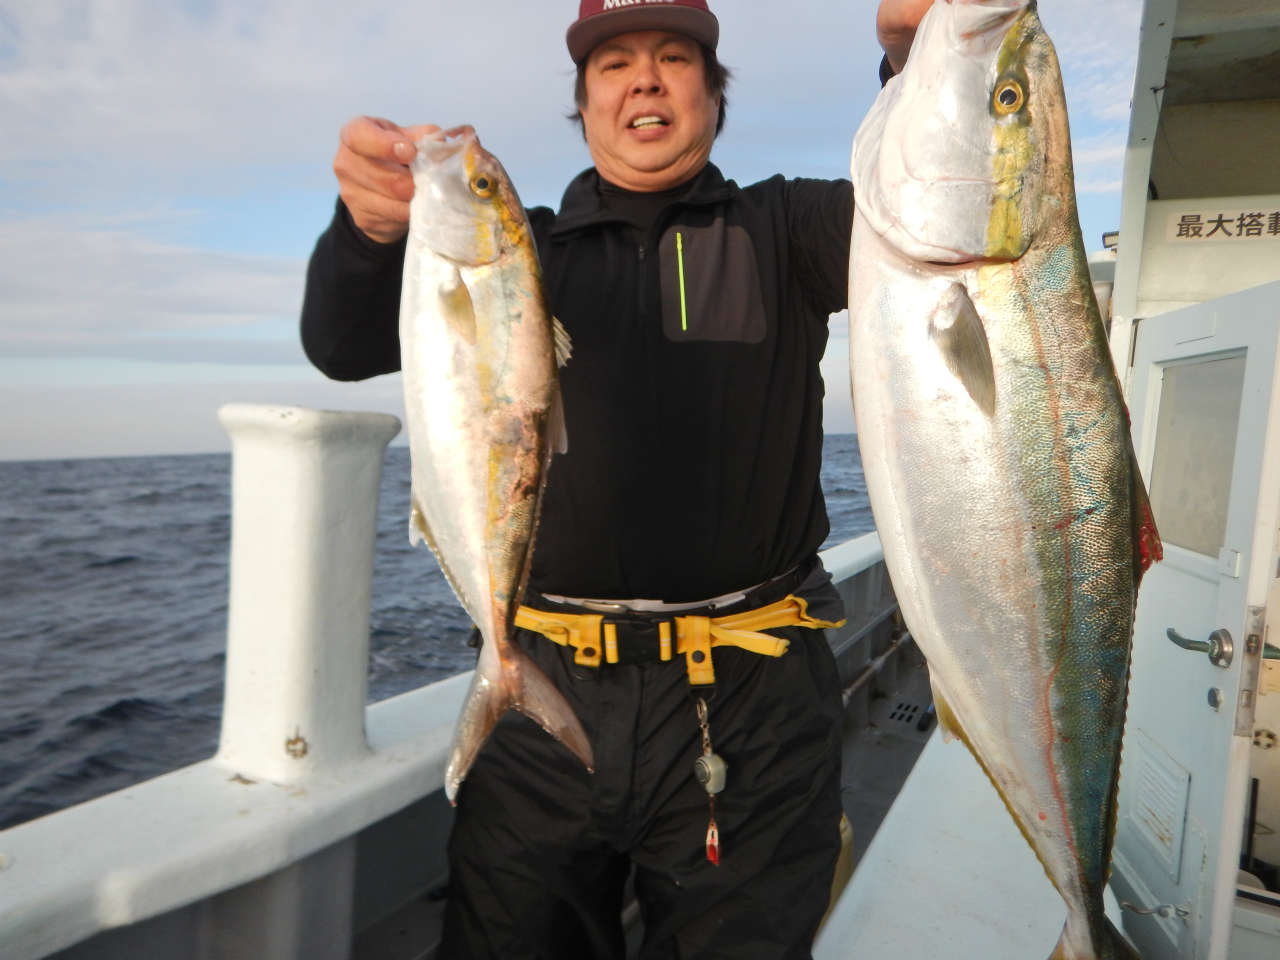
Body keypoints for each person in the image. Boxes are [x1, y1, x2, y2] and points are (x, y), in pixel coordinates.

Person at [301, 1, 932, 956]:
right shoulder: (522, 251)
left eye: (676, 57)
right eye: (614, 64)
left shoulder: (790, 227)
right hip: (540, 691)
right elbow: (340, 345)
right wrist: (368, 233)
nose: (644, 79)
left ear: (713, 96)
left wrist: (922, 73)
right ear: (586, 106)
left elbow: (928, 213)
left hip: (752, 704)